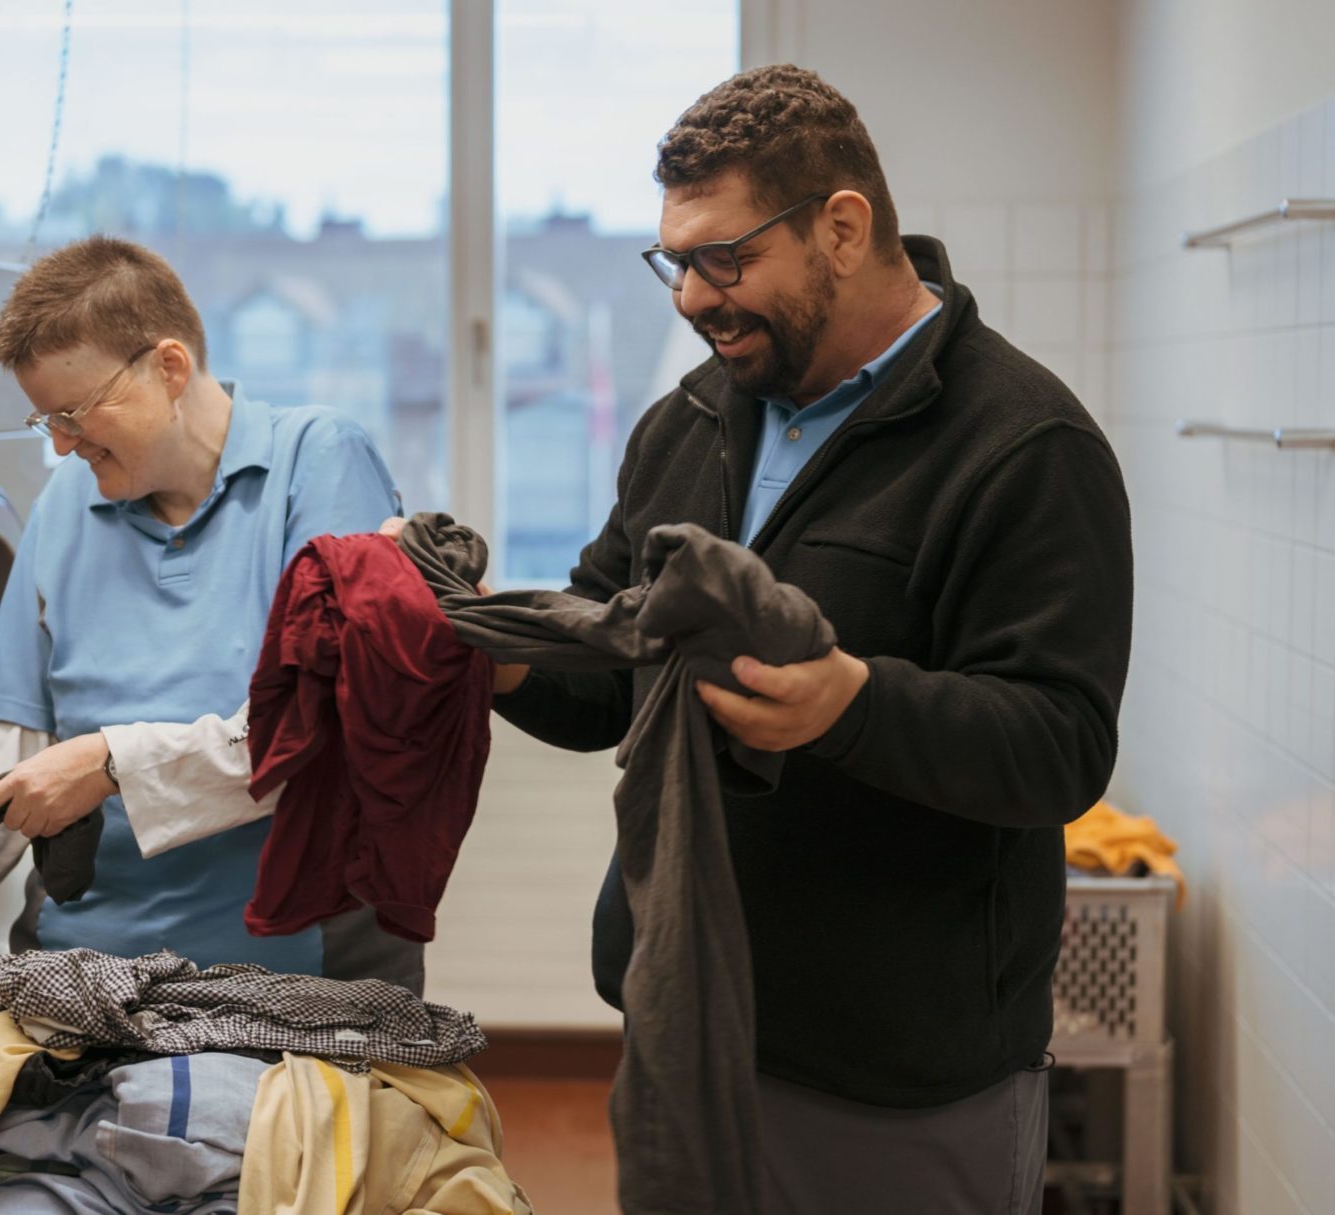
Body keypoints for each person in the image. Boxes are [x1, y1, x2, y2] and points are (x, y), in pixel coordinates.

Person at [480, 64, 1133, 1212]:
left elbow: (1061, 745)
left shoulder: (1024, 447)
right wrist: (494, 651)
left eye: (725, 258)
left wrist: (854, 705)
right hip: (685, 1024)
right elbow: (612, 682)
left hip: (901, 1076)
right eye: (675, 261)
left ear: (842, 227)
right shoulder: (687, 420)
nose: (690, 296)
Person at [0, 235, 421, 993]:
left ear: (169, 368)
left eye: (74, 413)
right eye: (46, 422)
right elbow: (3, 766)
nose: (62, 445)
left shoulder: (320, 463)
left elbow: (316, 730)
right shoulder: (70, 504)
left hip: (281, 971)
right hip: (79, 971)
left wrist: (105, 762)